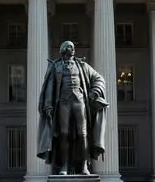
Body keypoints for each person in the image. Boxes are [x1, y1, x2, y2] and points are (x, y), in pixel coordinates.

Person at [37, 40, 108, 175]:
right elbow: (49, 87)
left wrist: (94, 92)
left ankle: (83, 166)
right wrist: (48, 105)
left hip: (79, 102)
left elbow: (99, 78)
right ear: (63, 50)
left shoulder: (82, 66)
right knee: (64, 134)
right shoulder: (56, 66)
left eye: (73, 47)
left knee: (83, 134)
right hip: (63, 102)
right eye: (70, 47)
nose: (73, 49)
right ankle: (64, 165)